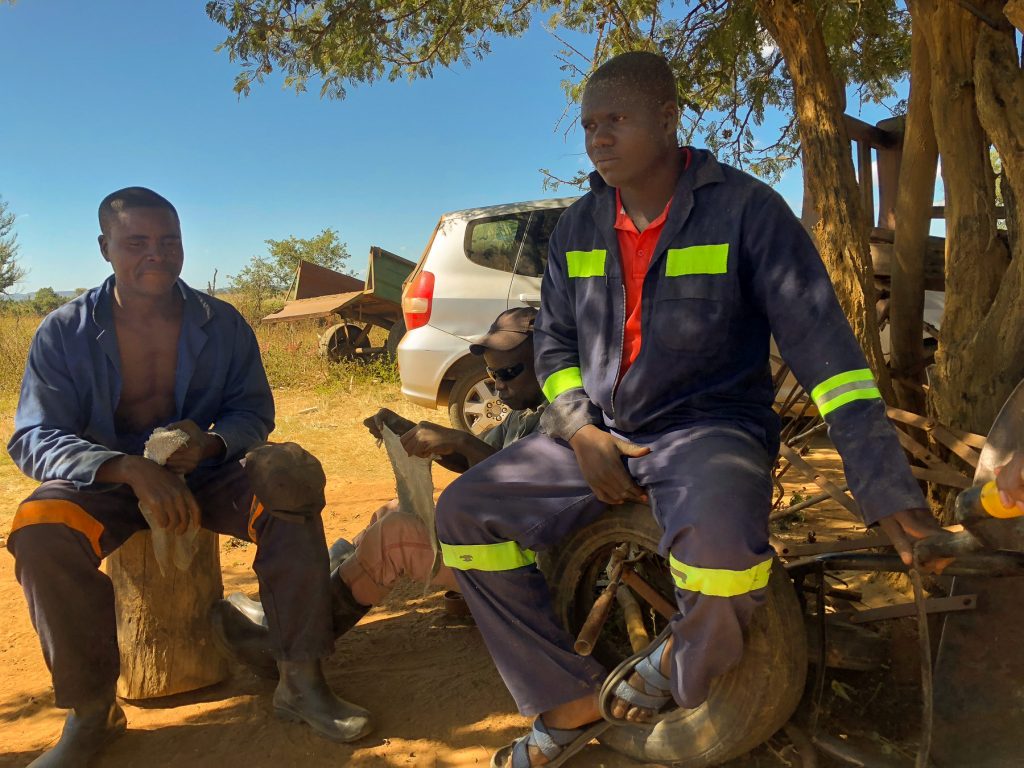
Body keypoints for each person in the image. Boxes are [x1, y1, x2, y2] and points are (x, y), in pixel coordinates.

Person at [432, 51, 947, 768]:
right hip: (601, 434)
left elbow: (828, 357)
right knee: (463, 516)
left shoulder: (745, 211)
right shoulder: (578, 228)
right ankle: (567, 700)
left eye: (616, 120)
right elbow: (552, 345)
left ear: (669, 119)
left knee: (724, 566)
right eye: (588, 125)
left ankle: (660, 680)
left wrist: (885, 486)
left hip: (709, 433)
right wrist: (580, 430)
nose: (597, 139)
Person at [6, 187, 371, 767]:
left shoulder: (220, 322)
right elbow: (34, 437)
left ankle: (301, 681)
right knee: (39, 526)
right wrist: (123, 467)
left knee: (289, 478)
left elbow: (253, 412)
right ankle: (92, 712)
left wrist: (211, 443)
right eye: (136, 242)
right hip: (108, 486)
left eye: (168, 240)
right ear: (105, 248)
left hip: (207, 476)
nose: (156, 253)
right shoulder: (63, 331)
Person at [210, 307, 549, 678]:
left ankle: (289, 642)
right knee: (390, 512)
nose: (498, 385)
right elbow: (479, 462)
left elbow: (520, 484)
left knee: (395, 538)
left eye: (509, 373)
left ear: (546, 360)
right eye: (492, 375)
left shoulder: (560, 420)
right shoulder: (524, 414)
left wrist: (461, 441)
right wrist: (414, 433)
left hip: (528, 572)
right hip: (499, 543)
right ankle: (297, 610)